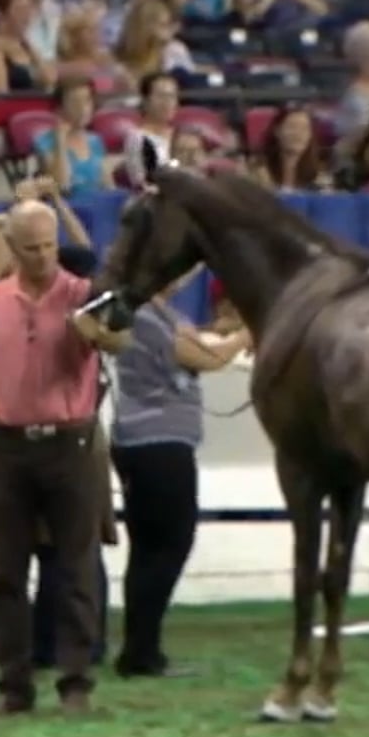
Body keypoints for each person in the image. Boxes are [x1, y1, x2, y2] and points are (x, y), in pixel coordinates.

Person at [0, 200, 128, 713]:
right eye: (32, 248)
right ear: (14, 250)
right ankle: (14, 684)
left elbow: (122, 340)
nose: (43, 256)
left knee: (76, 566)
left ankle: (75, 681)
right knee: (5, 567)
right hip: (8, 445)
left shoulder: (85, 295)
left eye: (49, 246)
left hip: (70, 441)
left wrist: (98, 334)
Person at [109, 269, 249, 677]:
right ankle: (142, 650)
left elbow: (199, 340)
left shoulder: (150, 312)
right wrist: (247, 336)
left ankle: (141, 647)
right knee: (170, 543)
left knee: (148, 548)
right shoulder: (149, 318)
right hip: (160, 442)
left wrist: (227, 331)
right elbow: (205, 358)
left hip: (142, 440)